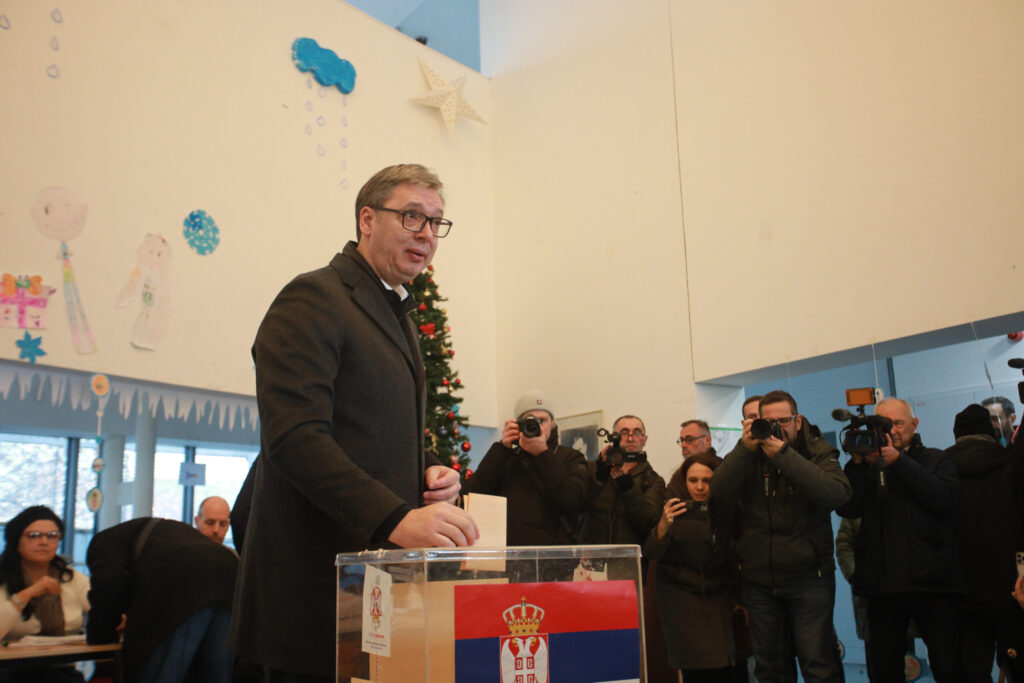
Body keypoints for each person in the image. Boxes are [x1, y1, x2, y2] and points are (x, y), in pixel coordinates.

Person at [231, 164, 478, 682]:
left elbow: (368, 434)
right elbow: (295, 438)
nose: (427, 234)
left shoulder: (398, 315)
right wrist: (396, 519)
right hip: (312, 600)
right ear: (367, 219)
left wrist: (430, 469)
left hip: (372, 595)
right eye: (412, 216)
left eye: (436, 222)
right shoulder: (314, 298)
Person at [710, 390, 849, 683]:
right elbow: (719, 492)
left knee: (818, 665)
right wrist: (743, 450)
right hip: (759, 581)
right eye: (769, 421)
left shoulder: (816, 449)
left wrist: (784, 456)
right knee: (770, 669)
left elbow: (837, 495)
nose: (777, 427)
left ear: (797, 421)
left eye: (783, 420)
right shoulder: (748, 454)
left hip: (809, 578)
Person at [838, 398, 962, 682]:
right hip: (882, 586)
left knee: (948, 667)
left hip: (933, 583)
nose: (891, 430)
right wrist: (856, 465)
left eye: (898, 423)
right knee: (884, 671)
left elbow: (943, 500)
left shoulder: (936, 459)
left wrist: (899, 462)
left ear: (914, 424)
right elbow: (847, 507)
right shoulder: (867, 466)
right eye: (882, 425)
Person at [87, 518, 237, 683]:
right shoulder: (160, 534)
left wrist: (100, 637)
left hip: (183, 576)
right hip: (229, 571)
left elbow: (107, 585)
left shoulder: (103, 542)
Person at [645, 452, 744, 682]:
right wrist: (663, 527)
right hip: (683, 604)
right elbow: (651, 553)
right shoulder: (671, 507)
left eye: (707, 480)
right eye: (693, 480)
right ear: (684, 481)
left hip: (722, 599)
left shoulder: (729, 508)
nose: (699, 487)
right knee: (697, 670)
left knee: (730, 668)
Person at [946, 403, 1024, 682]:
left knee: (973, 668)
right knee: (1016, 660)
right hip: (1010, 586)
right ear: (991, 433)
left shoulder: (941, 471)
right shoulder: (1011, 464)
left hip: (961, 587)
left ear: (956, 435)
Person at [470, 389, 589, 546]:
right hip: (513, 554)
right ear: (517, 425)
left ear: (552, 424)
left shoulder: (570, 457)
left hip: (555, 554)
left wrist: (543, 454)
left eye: (542, 420)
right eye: (530, 420)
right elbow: (475, 495)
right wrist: (502, 448)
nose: (537, 425)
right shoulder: (505, 457)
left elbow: (572, 501)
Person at [0, 506, 89, 683]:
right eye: (34, 536)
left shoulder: (70, 578)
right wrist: (28, 593)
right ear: (16, 540)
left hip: (63, 671)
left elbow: (101, 607)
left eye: (52, 536)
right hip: (10, 672)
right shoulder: (3, 578)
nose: (44, 542)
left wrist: (116, 619)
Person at [580, 414, 665, 574]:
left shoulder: (653, 480)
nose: (630, 438)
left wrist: (627, 485)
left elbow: (647, 522)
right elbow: (577, 504)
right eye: (624, 433)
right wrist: (600, 472)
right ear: (613, 438)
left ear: (644, 439)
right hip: (590, 563)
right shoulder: (593, 470)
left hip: (628, 566)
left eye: (637, 432)